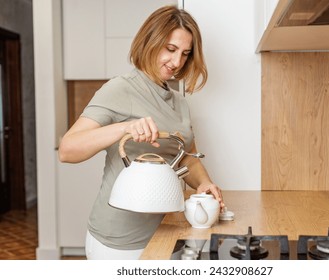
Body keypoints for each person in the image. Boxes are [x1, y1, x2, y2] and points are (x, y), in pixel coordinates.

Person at [58, 5, 224, 260]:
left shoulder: (180, 102)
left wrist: (203, 184)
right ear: (150, 41)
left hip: (167, 232)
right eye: (170, 49)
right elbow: (67, 150)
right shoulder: (119, 89)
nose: (177, 62)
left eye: (185, 54)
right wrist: (123, 128)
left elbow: (187, 157)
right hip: (118, 241)